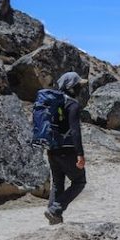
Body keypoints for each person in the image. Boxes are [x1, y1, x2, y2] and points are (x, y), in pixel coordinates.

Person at [44, 71, 87, 225]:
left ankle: (54, 218)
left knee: (57, 183)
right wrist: (80, 154)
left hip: (52, 149)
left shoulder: (52, 103)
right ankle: (55, 210)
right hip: (67, 150)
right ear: (72, 87)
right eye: (78, 86)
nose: (80, 88)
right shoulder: (72, 105)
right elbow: (75, 131)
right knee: (79, 181)